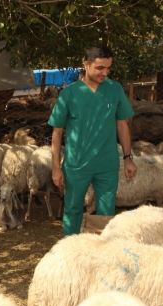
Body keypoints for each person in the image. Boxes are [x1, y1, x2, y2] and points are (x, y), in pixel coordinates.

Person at [48, 45, 137, 236]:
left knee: (107, 213)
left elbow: (122, 125)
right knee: (72, 210)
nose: (104, 73)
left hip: (107, 165)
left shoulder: (115, 89)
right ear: (86, 64)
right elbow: (57, 133)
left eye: (108, 68)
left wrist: (128, 157)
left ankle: (102, 253)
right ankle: (70, 251)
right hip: (76, 165)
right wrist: (56, 166)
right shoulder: (68, 95)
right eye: (100, 68)